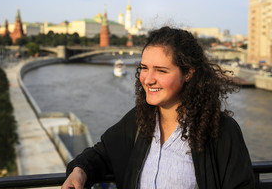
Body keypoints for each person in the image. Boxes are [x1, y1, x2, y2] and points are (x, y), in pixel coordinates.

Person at [62, 26, 255, 189]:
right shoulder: (139, 121)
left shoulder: (220, 131)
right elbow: (101, 153)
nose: (148, 79)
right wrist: (80, 171)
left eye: (161, 70)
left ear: (188, 73)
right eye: (144, 68)